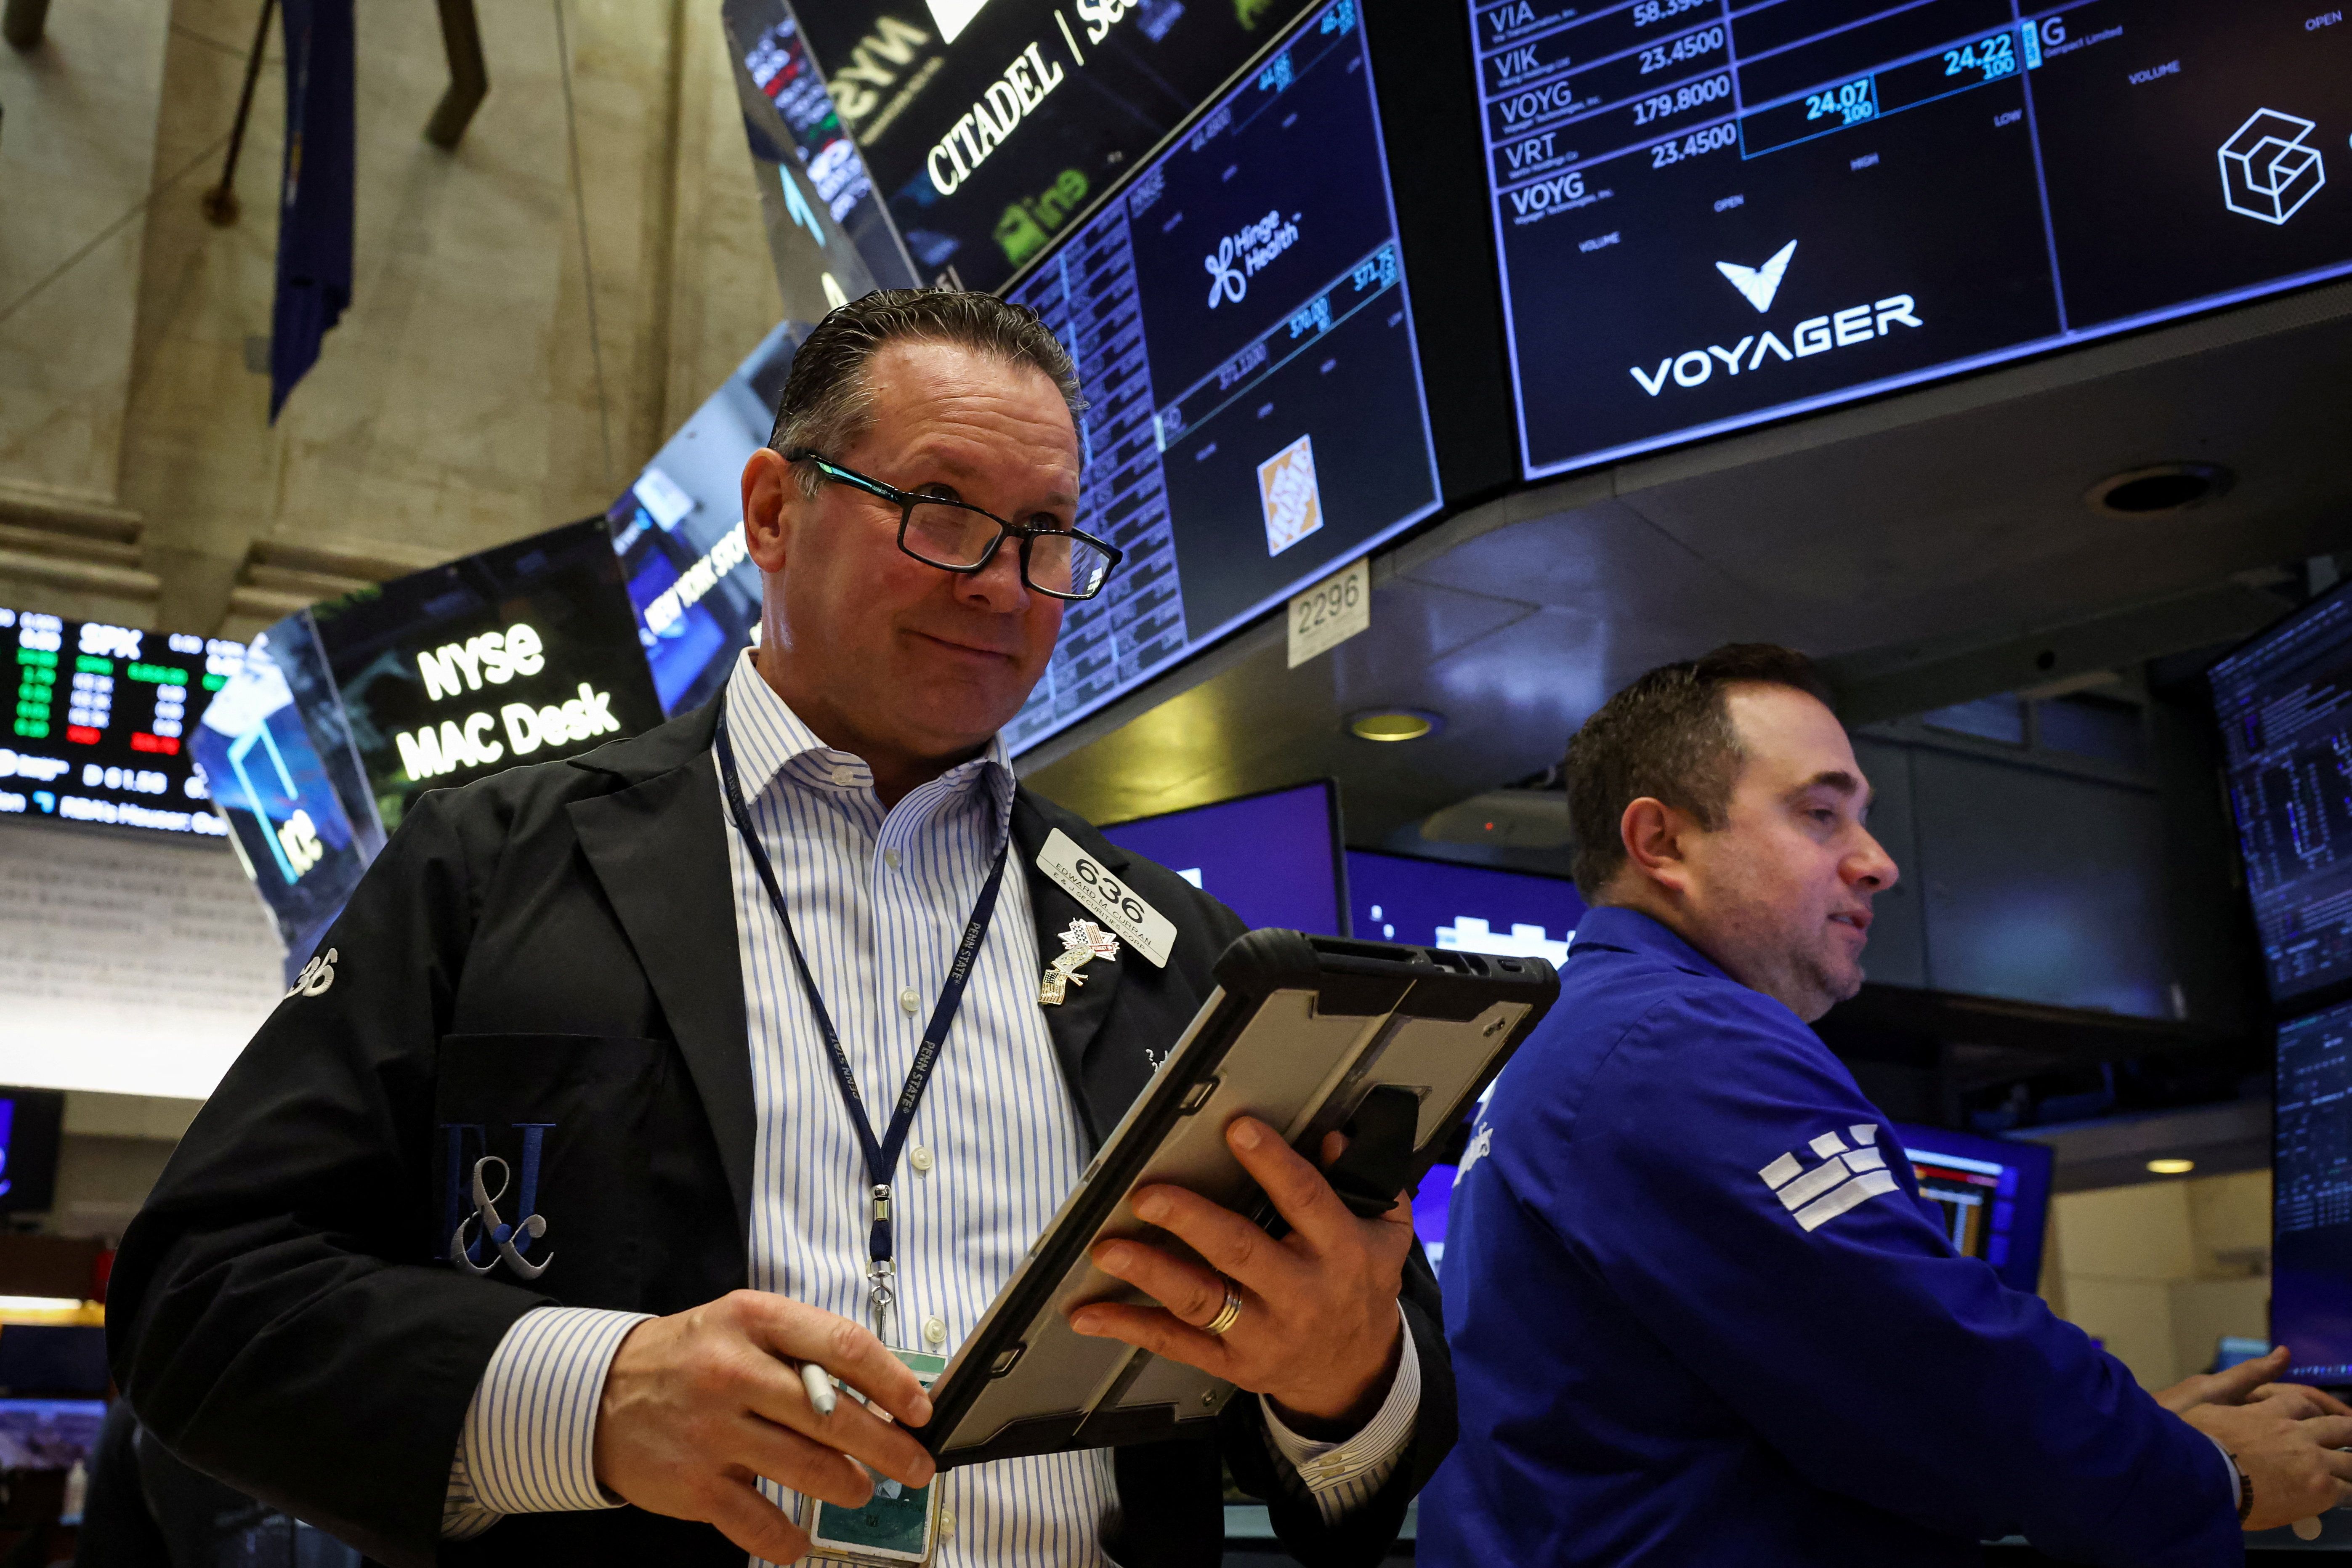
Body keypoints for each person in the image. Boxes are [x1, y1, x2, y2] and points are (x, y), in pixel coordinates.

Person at [106, 290, 1446, 1568]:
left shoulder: (1175, 947)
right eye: (939, 509)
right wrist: (586, 1399)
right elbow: (201, 1298)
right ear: (769, 510)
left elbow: (1372, 1436)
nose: (1001, 582)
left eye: (1044, 533)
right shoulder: (494, 861)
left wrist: (1341, 1376)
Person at [1421, 643, 2352, 1566]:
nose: (1876, 863)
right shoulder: (1679, 1040)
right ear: (1660, 842)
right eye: (1819, 815)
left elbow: (1817, 1396)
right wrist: (2205, 1477)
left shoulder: (1580, 1034)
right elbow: (1933, 1369)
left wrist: (2137, 1434)